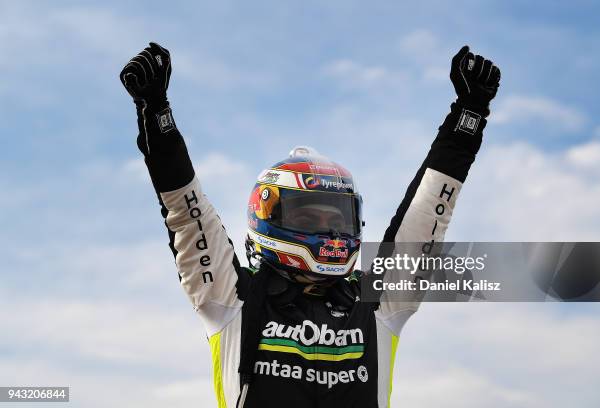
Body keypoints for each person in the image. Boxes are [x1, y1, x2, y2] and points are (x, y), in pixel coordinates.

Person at [120, 42, 500, 408]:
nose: (330, 232)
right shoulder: (232, 297)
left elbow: (423, 220)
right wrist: (156, 113)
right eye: (309, 218)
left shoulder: (377, 302)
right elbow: (188, 214)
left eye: (338, 219)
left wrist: (468, 116)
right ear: (267, 216)